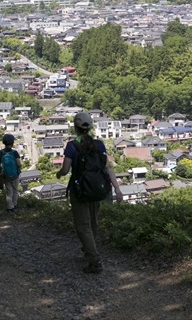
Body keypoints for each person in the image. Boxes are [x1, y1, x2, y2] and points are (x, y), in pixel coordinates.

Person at [56, 112, 123, 274]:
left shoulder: (72, 146)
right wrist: (117, 188)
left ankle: (94, 260)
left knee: (82, 225)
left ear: (75, 127)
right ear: (91, 127)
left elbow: (65, 170)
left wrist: (59, 174)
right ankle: (89, 250)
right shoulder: (99, 144)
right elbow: (108, 167)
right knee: (93, 222)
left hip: (79, 190)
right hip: (96, 189)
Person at [0, 133, 22, 214]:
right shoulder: (14, 152)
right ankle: (15, 205)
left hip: (6, 176)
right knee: (15, 191)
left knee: (9, 192)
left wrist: (1, 171)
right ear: (12, 142)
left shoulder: (0, 153)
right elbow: (19, 164)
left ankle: (10, 208)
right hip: (15, 175)